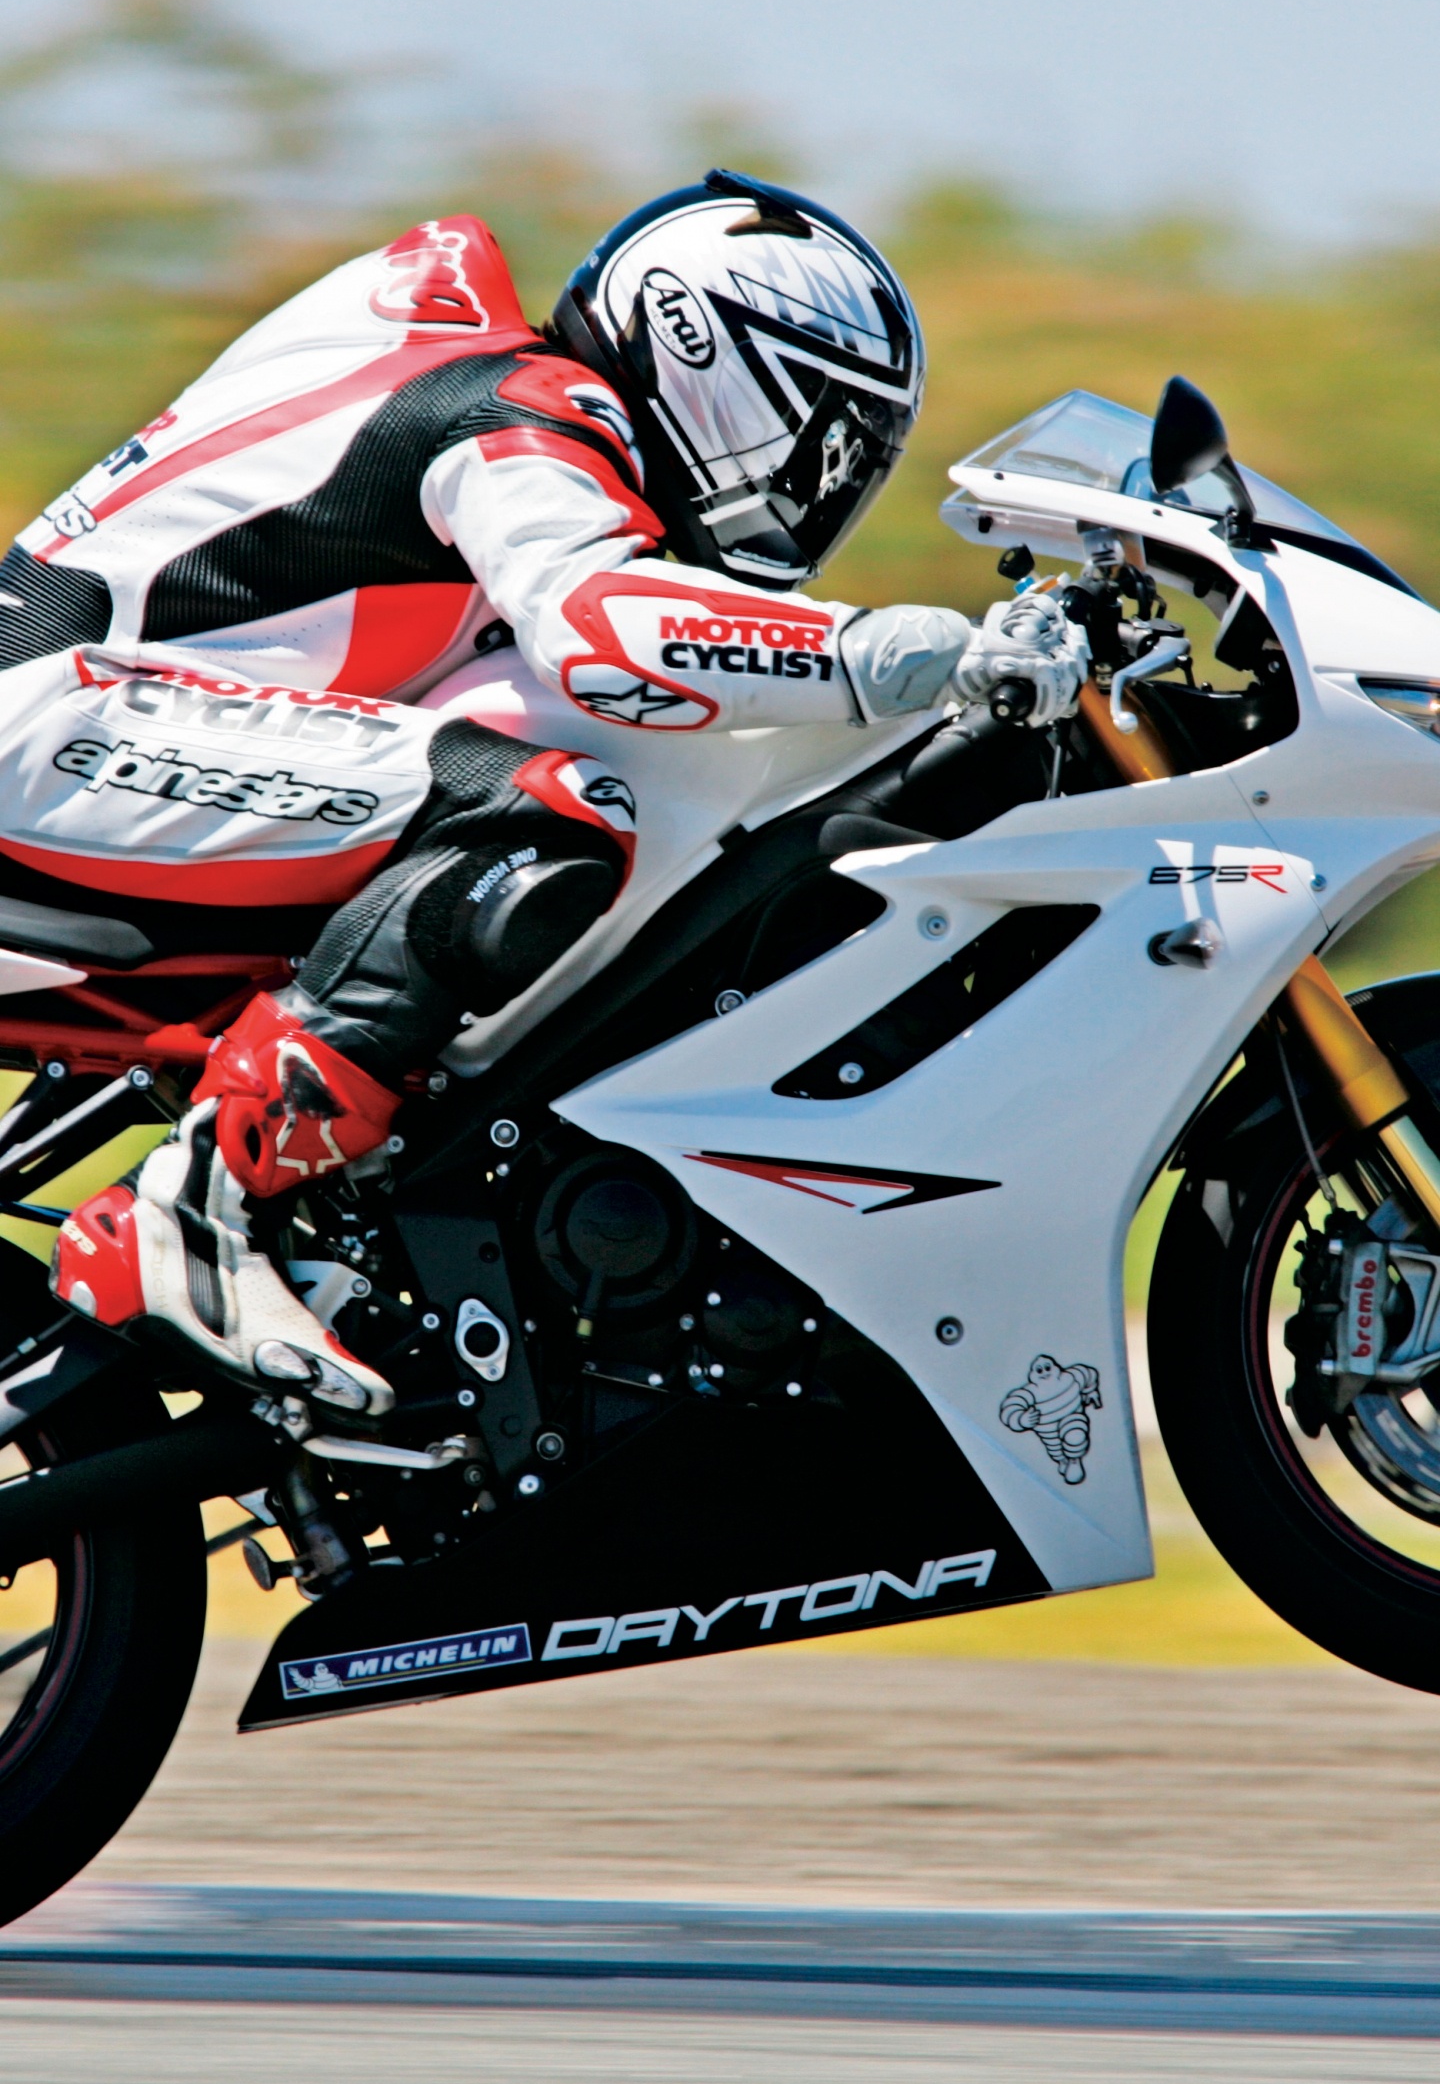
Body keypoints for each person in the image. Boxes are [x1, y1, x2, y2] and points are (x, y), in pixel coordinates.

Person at [25, 171, 1087, 1414]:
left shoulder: (478, 384)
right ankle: (201, 1208)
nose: (822, 487)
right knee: (546, 813)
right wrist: (909, 651)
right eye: (823, 436)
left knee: (510, 810)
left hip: (81, 727)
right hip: (55, 723)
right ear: (711, 354)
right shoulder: (527, 408)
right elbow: (600, 632)